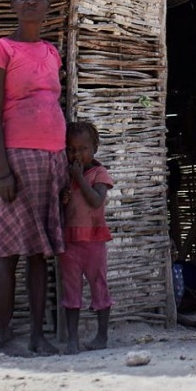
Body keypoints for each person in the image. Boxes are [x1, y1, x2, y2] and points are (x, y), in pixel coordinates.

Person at [0, 0, 67, 355]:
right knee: (9, 251)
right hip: (18, 157)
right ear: (14, 5)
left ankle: (37, 335)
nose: (30, 3)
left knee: (39, 252)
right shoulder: (0, 50)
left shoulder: (51, 52)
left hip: (53, 158)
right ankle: (5, 337)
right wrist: (2, 169)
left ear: (47, 7)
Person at [59, 121, 114, 354]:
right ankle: (73, 339)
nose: (77, 154)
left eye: (83, 149)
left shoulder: (99, 173)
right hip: (70, 241)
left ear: (94, 149)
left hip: (93, 241)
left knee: (98, 285)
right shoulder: (66, 175)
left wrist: (79, 179)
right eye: (71, 149)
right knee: (71, 290)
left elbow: (95, 200)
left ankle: (102, 336)